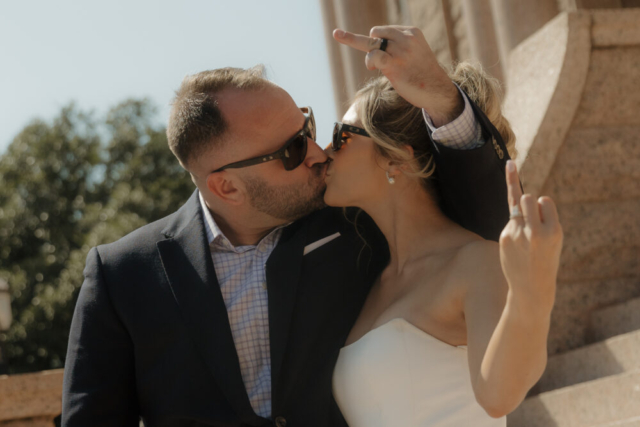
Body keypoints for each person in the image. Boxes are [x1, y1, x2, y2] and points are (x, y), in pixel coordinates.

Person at [61, 26, 514, 427]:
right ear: (227, 187)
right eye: (292, 151)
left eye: (308, 127)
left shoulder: (355, 221)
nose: (318, 152)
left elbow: (481, 222)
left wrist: (442, 100)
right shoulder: (122, 276)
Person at [327, 27, 563, 426]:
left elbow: (498, 395)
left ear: (394, 160)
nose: (326, 150)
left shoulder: (477, 261)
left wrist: (533, 293)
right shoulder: (368, 280)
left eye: (342, 136)